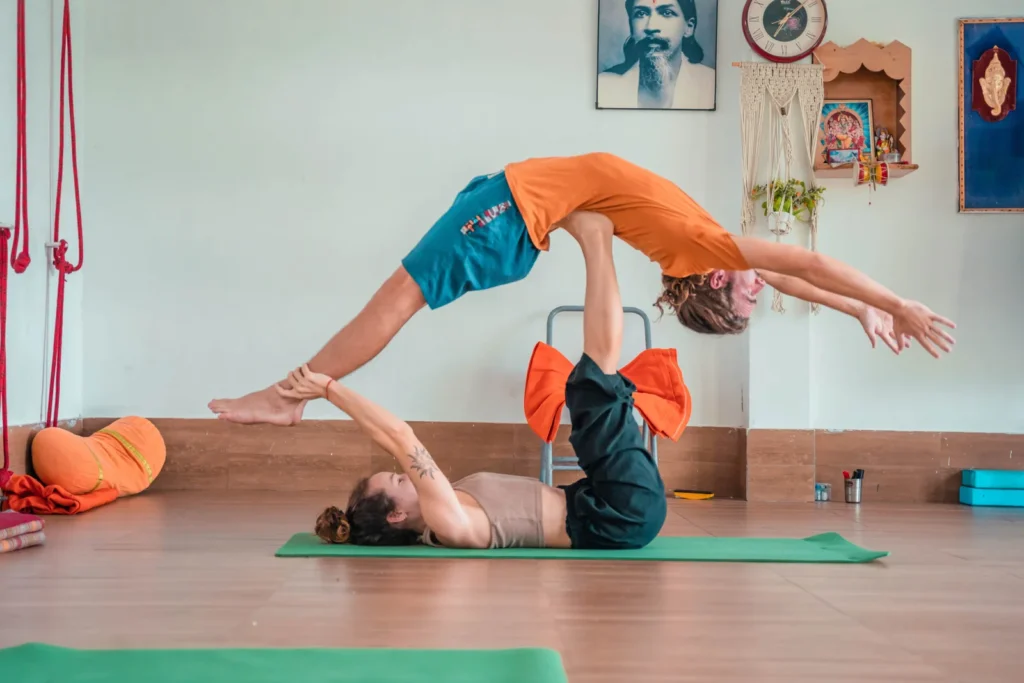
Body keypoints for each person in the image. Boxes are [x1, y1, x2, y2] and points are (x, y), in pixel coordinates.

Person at [208, 151, 956, 426]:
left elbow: (806, 266)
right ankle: (296, 392)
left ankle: (290, 394)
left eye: (753, 294)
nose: (767, 282)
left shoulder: (702, 244)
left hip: (515, 213)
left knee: (393, 301)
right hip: (510, 201)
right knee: (395, 298)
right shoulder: (699, 242)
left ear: (721, 280)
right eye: (761, 292)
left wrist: (892, 301)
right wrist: (867, 305)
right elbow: (804, 273)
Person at [279, 218, 667, 550]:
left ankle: (595, 236)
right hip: (621, 512)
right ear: (397, 514)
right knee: (595, 385)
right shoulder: (448, 523)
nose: (406, 473)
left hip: (602, 501)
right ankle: (595, 236)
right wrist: (328, 387)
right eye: (399, 479)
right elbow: (399, 435)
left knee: (589, 389)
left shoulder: (450, 504)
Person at [597, 0, 717, 110]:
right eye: (641, 13)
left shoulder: (710, 84)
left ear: (689, 27)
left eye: (667, 12)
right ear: (630, 25)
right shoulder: (604, 86)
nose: (651, 27)